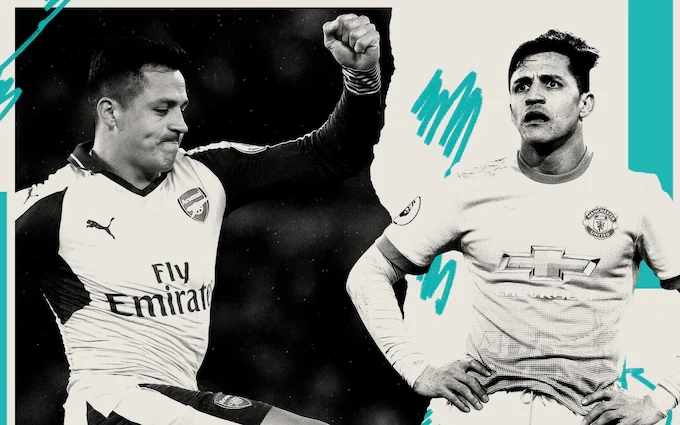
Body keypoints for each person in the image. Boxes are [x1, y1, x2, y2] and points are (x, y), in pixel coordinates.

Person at [15, 13, 383, 425]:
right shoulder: (54, 205)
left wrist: (361, 77)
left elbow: (333, 155)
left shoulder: (209, 176)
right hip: (110, 404)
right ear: (111, 112)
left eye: (182, 108)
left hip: (177, 398)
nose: (181, 125)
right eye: (162, 109)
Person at [346, 29, 680, 425]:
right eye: (522, 86)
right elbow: (368, 274)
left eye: (552, 83)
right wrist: (417, 370)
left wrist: (660, 399)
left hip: (583, 415)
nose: (533, 96)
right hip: (479, 411)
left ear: (585, 103)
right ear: (510, 109)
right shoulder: (469, 188)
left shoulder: (635, 195)